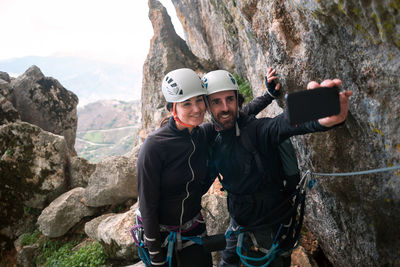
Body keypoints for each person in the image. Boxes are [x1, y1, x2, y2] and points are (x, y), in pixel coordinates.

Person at [203, 69, 352, 267]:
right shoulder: (216, 135)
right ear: (206, 106)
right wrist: (269, 95)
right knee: (227, 262)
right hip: (238, 219)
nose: (225, 108)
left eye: (229, 99)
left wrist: (320, 120)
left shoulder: (255, 131)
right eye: (216, 101)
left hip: (266, 227)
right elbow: (251, 108)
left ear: (237, 101)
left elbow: (281, 125)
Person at [136, 67, 279, 267]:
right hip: (160, 233)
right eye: (187, 104)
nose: (196, 109)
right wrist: (156, 258)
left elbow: (234, 115)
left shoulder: (203, 133)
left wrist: (268, 96)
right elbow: (147, 205)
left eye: (199, 101)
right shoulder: (154, 146)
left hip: (193, 226)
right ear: (172, 108)